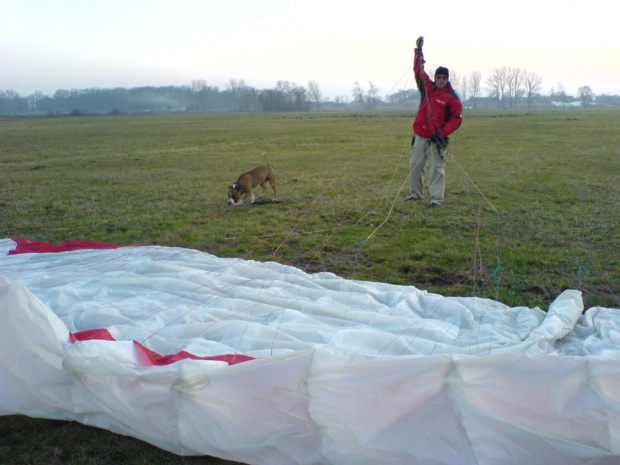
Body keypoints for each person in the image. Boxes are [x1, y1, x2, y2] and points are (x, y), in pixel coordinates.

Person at [406, 36, 463, 207]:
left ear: (447, 79)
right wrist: (419, 51)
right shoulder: (427, 88)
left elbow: (456, 119)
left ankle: (436, 200)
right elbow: (418, 70)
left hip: (436, 139)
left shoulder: (452, 98)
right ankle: (416, 194)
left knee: (436, 169)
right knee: (415, 165)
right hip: (420, 136)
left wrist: (442, 133)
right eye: (437, 76)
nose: (440, 79)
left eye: (443, 77)